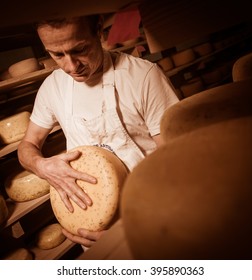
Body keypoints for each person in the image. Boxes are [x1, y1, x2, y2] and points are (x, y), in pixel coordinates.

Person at [17, 15, 179, 248]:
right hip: (92, 229)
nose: (71, 66)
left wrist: (141, 227)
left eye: (79, 49)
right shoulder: (53, 87)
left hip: (152, 220)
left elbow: (179, 161)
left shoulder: (142, 77)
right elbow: (27, 146)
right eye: (57, 55)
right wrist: (41, 166)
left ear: (99, 31)